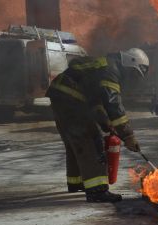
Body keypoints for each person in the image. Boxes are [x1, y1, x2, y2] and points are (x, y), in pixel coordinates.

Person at [45, 48, 149, 202]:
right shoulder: (111, 71)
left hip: (63, 96)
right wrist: (128, 136)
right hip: (71, 99)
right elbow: (114, 105)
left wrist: (104, 122)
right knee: (92, 142)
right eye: (134, 74)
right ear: (129, 63)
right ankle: (97, 191)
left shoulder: (105, 65)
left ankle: (77, 182)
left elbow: (95, 101)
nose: (132, 79)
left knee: (75, 143)